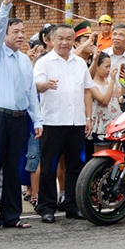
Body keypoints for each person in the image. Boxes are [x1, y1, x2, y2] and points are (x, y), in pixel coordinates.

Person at [0, 0, 43, 232]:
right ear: (4, 35)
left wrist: (37, 120)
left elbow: (30, 94)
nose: (20, 35)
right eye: (15, 31)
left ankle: (11, 215)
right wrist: (5, 6)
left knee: (14, 169)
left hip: (19, 119)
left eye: (23, 32)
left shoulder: (25, 60)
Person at [33, 24, 96, 223]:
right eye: (60, 38)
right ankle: (47, 207)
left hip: (76, 122)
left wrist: (87, 118)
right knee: (49, 167)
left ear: (73, 41)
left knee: (75, 166)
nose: (64, 42)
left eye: (69, 38)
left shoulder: (79, 63)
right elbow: (36, 85)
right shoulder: (44, 62)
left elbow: (87, 90)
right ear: (51, 39)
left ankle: (73, 206)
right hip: (52, 121)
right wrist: (45, 85)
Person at [88, 52, 124, 148]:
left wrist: (122, 82)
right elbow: (104, 101)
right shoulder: (91, 84)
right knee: (101, 157)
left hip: (115, 124)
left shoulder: (109, 80)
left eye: (110, 66)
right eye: (106, 67)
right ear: (97, 66)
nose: (108, 70)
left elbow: (119, 97)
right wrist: (112, 80)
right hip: (101, 127)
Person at [105, 23, 125, 89]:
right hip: (103, 97)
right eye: (114, 34)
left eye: (121, 35)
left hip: (124, 97)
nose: (116, 38)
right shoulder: (103, 55)